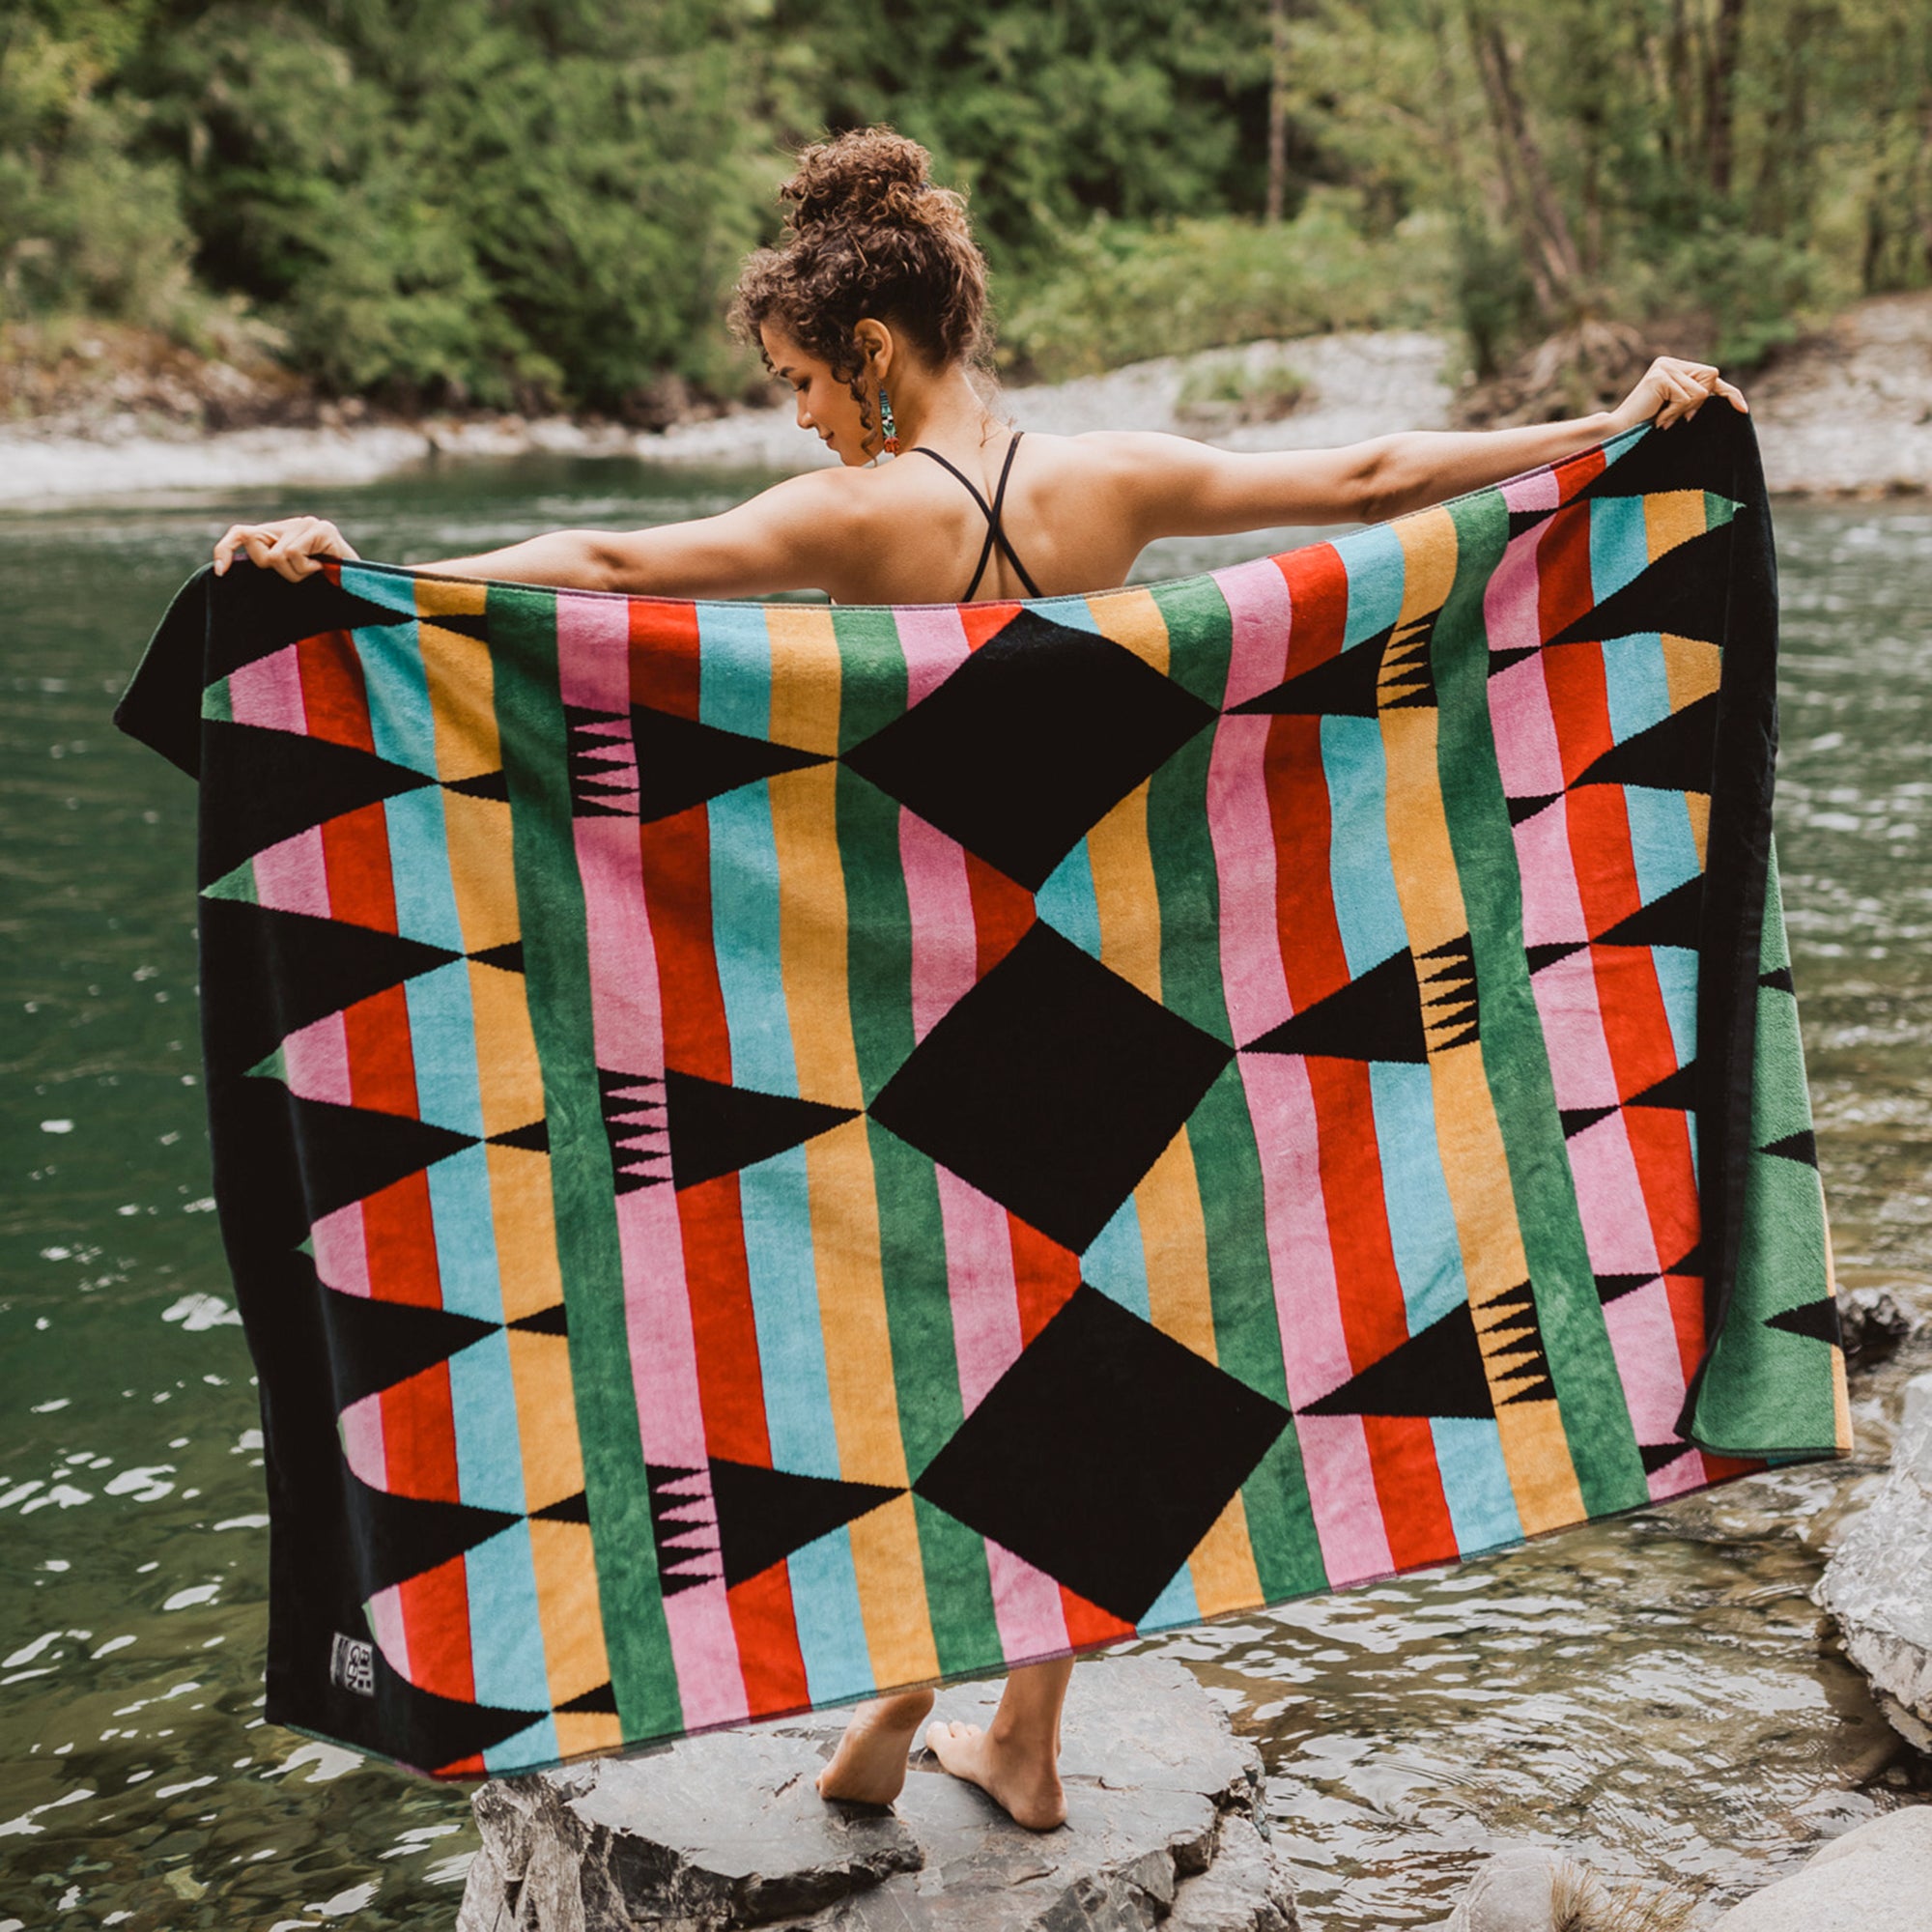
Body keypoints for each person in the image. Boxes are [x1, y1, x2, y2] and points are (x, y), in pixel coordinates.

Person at [211, 126, 1748, 1833]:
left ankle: (912, 1695)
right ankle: (1009, 1730)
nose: (795, 415)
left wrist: (345, 584)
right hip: (1132, 1003)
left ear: (872, 355)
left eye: (800, 378)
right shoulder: (1110, 480)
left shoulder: (851, 513)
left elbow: (609, 569)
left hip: (913, 1014)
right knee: (1118, 1353)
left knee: (917, 1352)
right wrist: (1612, 432)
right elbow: (1384, 477)